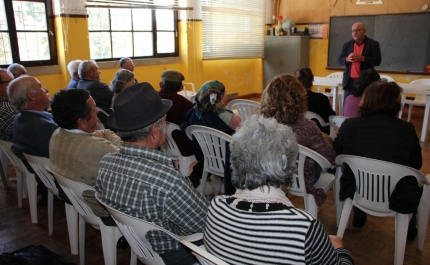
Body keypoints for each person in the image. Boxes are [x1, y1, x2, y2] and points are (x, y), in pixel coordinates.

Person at [204, 115, 354, 265]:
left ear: (235, 162)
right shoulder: (305, 228)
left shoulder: (216, 207)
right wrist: (340, 249)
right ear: (288, 167)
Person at [95, 82, 208, 265]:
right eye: (164, 121)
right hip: (177, 254)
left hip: (141, 246)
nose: (165, 124)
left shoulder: (106, 162)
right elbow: (206, 224)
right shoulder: (167, 181)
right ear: (155, 131)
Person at [334, 81, 422, 240]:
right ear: (395, 102)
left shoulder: (349, 125)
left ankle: (359, 217)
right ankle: (408, 230)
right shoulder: (407, 129)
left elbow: (337, 153)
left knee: (357, 172)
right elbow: (417, 164)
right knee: (415, 181)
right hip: (396, 194)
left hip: (358, 190)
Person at [260, 74, 336, 207]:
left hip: (270, 174)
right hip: (300, 178)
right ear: (299, 99)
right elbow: (330, 158)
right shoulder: (307, 126)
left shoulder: (261, 123)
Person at [8, 76, 69, 203]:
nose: (46, 89)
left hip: (45, 180)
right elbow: (69, 157)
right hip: (64, 185)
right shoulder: (44, 128)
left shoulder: (20, 118)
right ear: (32, 95)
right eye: (40, 86)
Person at [49, 88, 122, 186]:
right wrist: (108, 138)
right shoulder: (97, 147)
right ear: (82, 122)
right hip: (93, 198)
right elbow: (124, 155)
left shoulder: (57, 133)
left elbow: (105, 132)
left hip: (71, 194)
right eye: (93, 109)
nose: (97, 111)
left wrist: (104, 135)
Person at [181, 80, 241, 194]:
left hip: (205, 157)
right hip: (226, 162)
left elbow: (185, 129)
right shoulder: (227, 119)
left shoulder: (194, 113)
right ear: (220, 98)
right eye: (226, 94)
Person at [338, 22, 381, 103]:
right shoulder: (347, 45)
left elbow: (377, 61)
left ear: (364, 31)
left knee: (365, 105)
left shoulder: (373, 44)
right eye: (353, 31)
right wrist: (347, 59)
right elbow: (339, 60)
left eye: (358, 30)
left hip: (365, 82)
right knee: (348, 105)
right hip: (349, 82)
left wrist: (362, 58)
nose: (355, 33)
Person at [158, 69, 193, 156]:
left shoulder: (153, 98)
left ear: (161, 84)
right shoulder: (185, 103)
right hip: (181, 146)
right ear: (181, 88)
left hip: (159, 143)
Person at [294, 67, 336, 134]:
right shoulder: (322, 98)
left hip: (297, 135)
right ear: (311, 81)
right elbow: (332, 117)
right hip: (320, 134)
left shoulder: (292, 99)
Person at [77, 60, 114, 129]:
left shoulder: (80, 84)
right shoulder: (96, 86)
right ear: (90, 72)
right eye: (97, 69)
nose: (99, 72)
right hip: (106, 120)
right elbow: (115, 98)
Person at [0, 69, 16, 142]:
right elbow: (28, 137)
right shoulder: (7, 110)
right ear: (0, 87)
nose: (16, 85)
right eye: (12, 82)